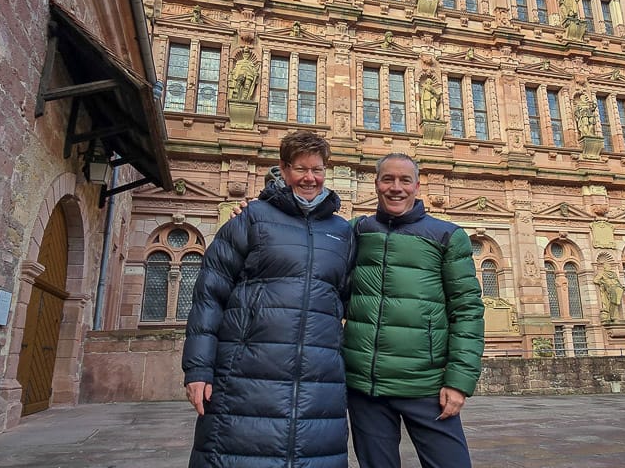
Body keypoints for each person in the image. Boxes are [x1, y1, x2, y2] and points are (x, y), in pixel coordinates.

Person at [182, 131, 355, 468]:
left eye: (317, 170)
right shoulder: (251, 218)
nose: (310, 178)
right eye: (300, 169)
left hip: (318, 379)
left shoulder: (342, 232)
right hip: (247, 373)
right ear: (284, 169)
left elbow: (349, 300)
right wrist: (198, 369)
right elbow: (209, 296)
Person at [343, 153, 485, 468]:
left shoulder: (446, 235)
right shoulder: (356, 232)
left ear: (417, 185)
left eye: (405, 180)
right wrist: (253, 211)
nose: (396, 188)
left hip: (427, 385)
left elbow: (467, 311)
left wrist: (459, 380)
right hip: (367, 388)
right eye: (388, 179)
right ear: (376, 184)